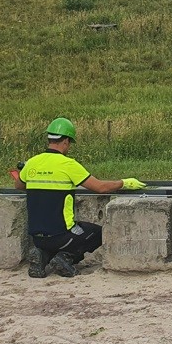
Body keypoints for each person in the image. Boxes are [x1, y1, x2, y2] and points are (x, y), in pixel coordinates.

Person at [13, 117, 145, 278]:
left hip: (37, 238)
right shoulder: (68, 164)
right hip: (62, 236)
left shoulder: (32, 163)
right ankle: (65, 258)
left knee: (50, 237)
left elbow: (19, 186)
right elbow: (100, 187)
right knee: (97, 233)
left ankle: (42, 256)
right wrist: (124, 183)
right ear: (66, 141)